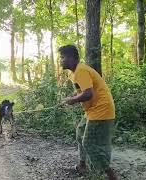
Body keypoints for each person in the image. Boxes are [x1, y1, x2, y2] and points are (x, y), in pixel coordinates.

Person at [59, 45, 118, 179]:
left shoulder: (81, 70)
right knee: (80, 133)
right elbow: (82, 90)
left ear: (72, 58)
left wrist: (73, 100)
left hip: (101, 110)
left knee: (89, 142)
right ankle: (82, 165)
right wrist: (72, 97)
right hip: (92, 110)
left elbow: (88, 94)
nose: (61, 60)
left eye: (63, 57)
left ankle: (111, 175)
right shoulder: (73, 73)